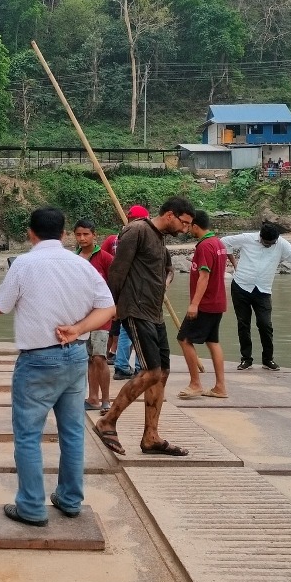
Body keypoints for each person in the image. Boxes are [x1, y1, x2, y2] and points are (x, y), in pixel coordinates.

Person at [0, 207, 115, 527]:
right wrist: (77, 329)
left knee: (28, 435)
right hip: (75, 355)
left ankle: (32, 507)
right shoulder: (82, 265)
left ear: (30, 233)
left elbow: (0, 306)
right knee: (73, 432)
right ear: (64, 234)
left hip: (36, 360)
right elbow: (108, 308)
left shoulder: (23, 264)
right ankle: (70, 499)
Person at [92, 196, 196, 457]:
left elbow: (169, 269)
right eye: (184, 223)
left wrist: (166, 282)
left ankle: (151, 436)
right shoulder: (136, 230)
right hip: (135, 310)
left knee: (162, 373)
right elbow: (117, 271)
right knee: (150, 372)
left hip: (154, 312)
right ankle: (107, 421)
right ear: (170, 215)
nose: (185, 229)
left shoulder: (160, 239)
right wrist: (112, 308)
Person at [223, 221, 291, 371]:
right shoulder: (247, 238)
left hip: (263, 291)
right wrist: (234, 262)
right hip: (241, 286)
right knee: (243, 324)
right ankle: (246, 359)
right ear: (260, 237)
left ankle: (268, 359)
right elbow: (223, 242)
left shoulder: (281, 244)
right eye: (266, 243)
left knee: (265, 325)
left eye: (272, 243)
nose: (269, 246)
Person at [175, 210, 229, 399]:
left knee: (184, 339)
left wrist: (194, 304)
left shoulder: (205, 246)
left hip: (205, 303)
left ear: (195, 226)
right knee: (212, 341)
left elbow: (204, 276)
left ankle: (195, 383)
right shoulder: (218, 243)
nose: (187, 229)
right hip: (218, 301)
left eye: (189, 225)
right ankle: (220, 387)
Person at [72, 219, 114, 412]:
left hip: (102, 314)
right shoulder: (74, 258)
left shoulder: (105, 258)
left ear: (94, 235)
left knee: (99, 358)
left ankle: (106, 399)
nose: (82, 238)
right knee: (89, 358)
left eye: (86, 234)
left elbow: (116, 283)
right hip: (82, 316)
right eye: (78, 234)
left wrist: (116, 308)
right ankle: (93, 397)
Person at [107, 204, 149, 380]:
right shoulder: (141, 237)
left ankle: (121, 365)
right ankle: (139, 366)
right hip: (139, 290)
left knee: (126, 329)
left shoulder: (117, 238)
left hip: (122, 290)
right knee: (143, 329)